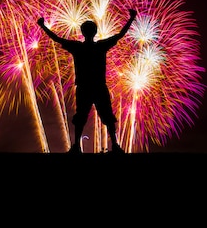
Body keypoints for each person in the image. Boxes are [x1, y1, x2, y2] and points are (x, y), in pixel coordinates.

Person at [37, 9, 137, 154]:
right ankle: (114, 145)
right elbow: (120, 35)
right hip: (98, 86)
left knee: (81, 116)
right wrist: (131, 18)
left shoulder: (77, 47)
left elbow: (57, 39)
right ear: (95, 32)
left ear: (83, 32)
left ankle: (77, 146)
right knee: (107, 116)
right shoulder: (101, 46)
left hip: (84, 87)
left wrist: (43, 26)